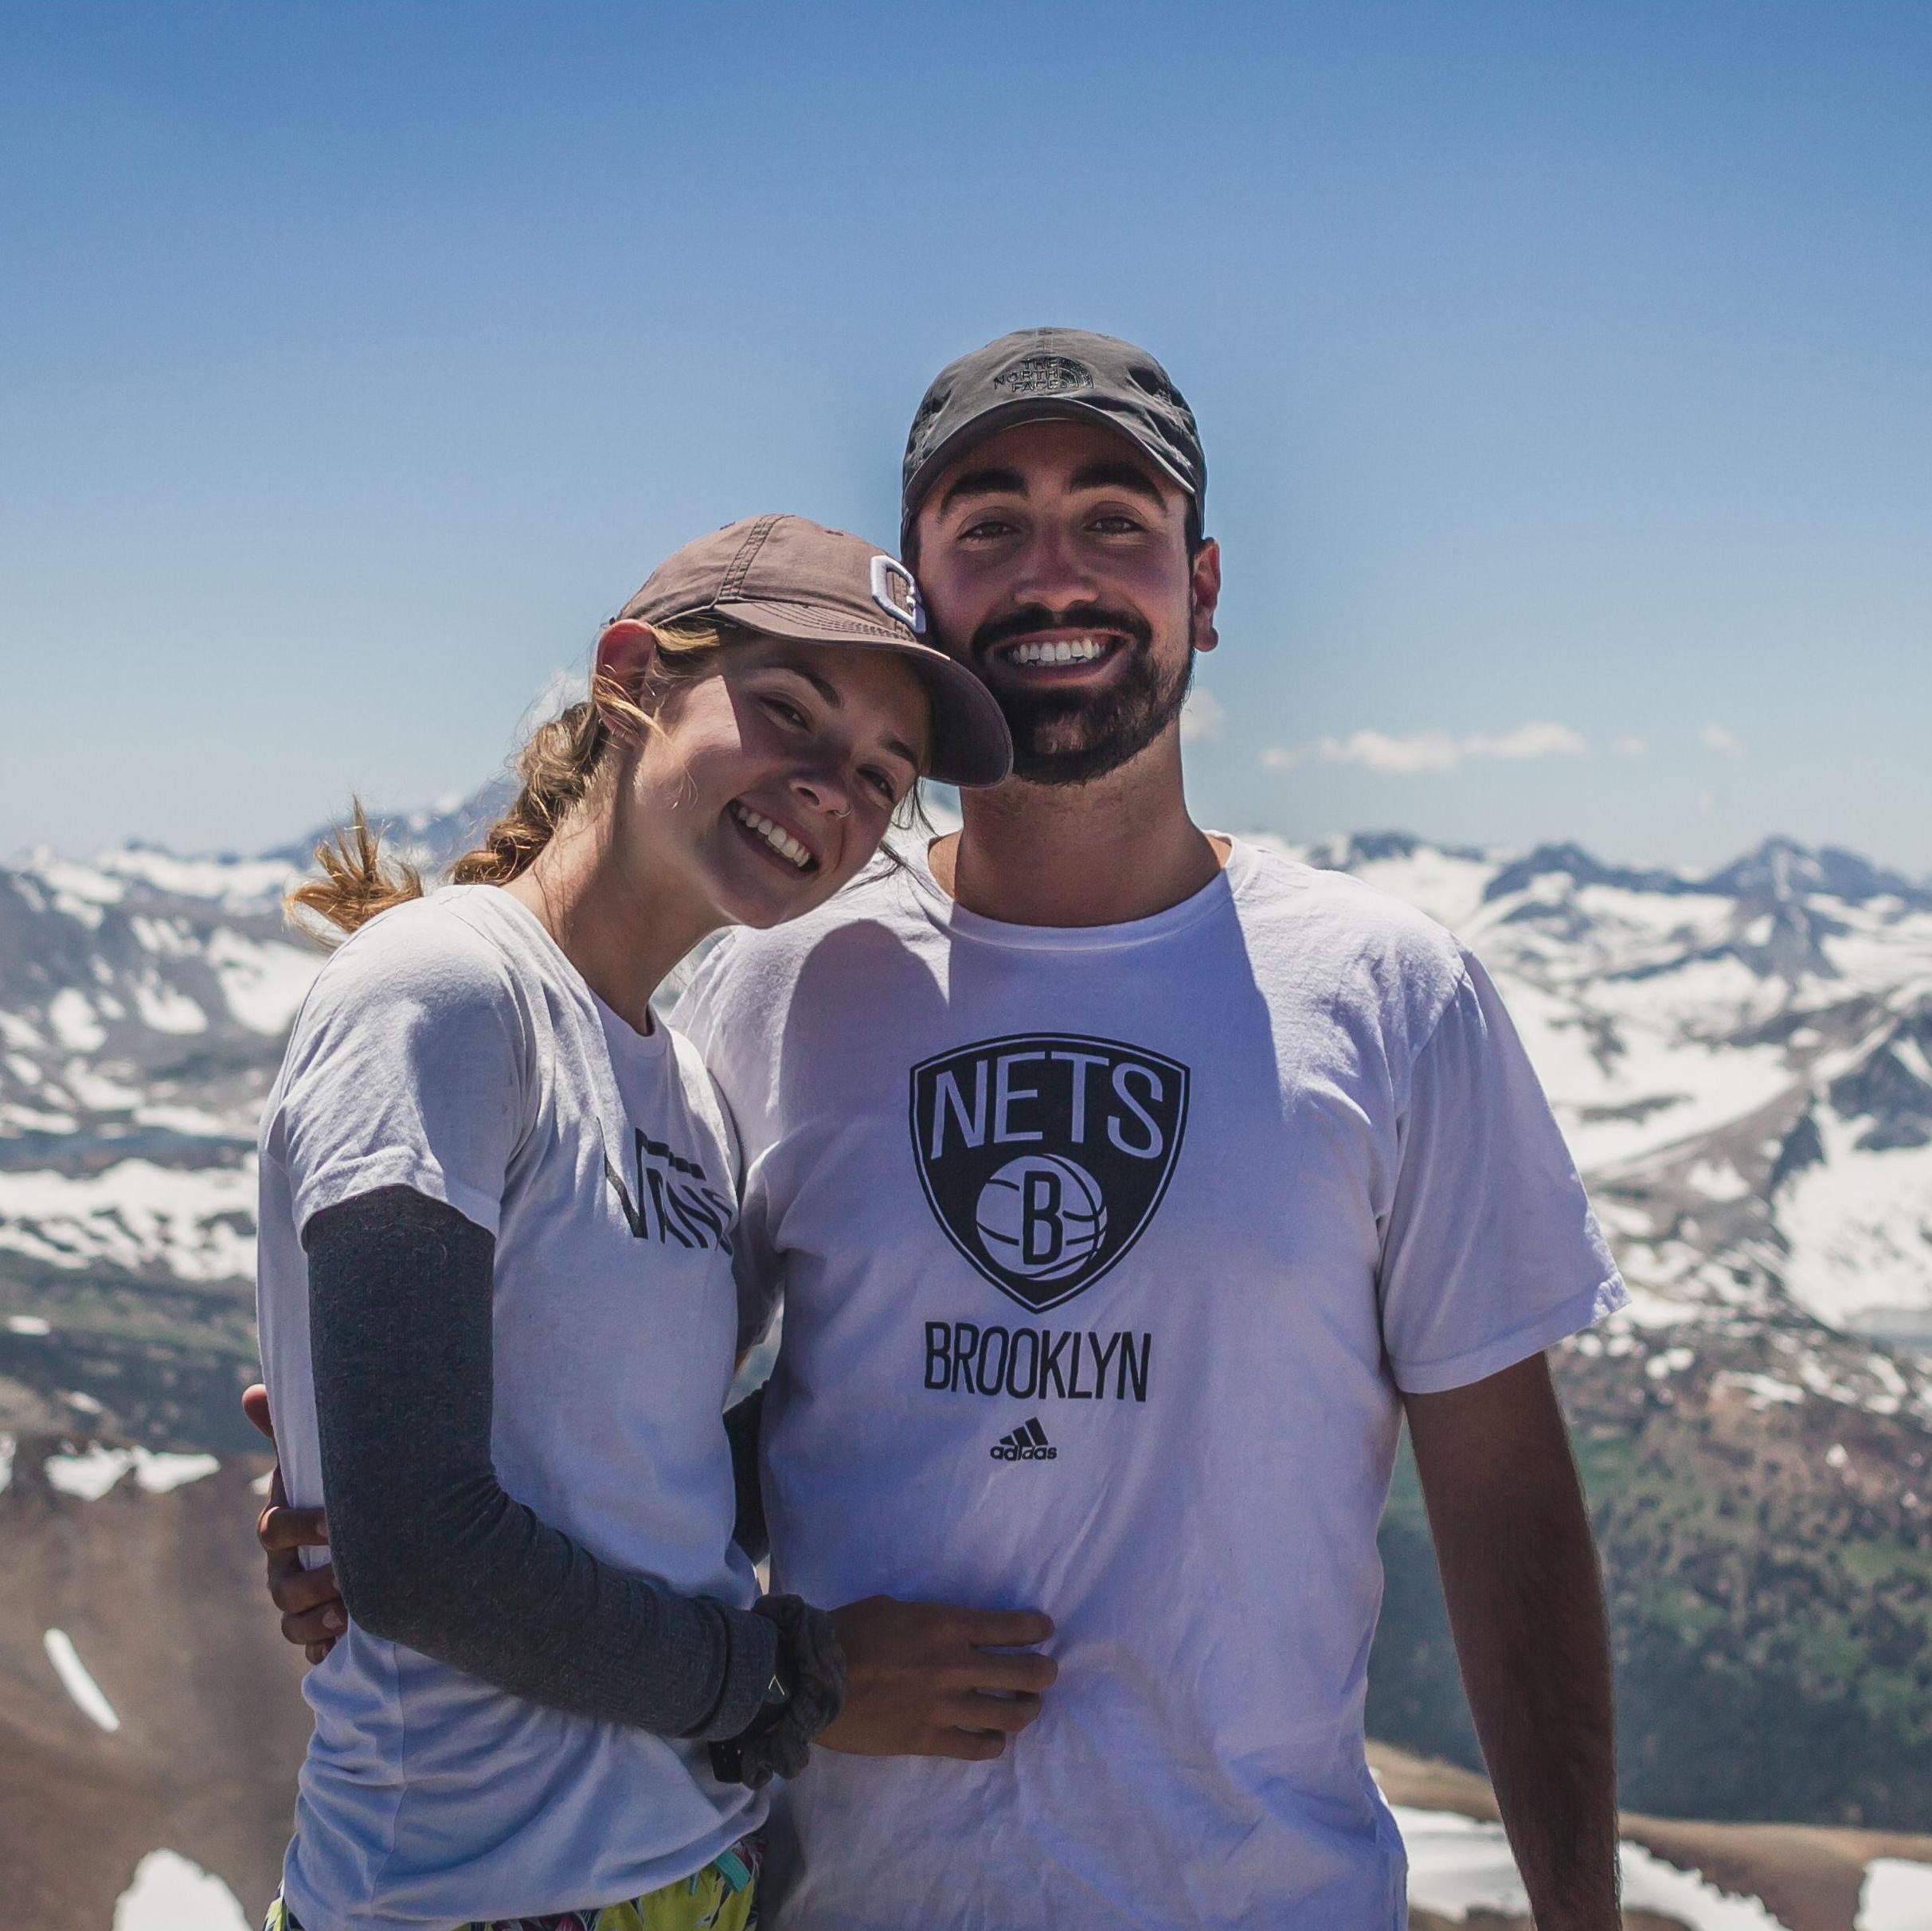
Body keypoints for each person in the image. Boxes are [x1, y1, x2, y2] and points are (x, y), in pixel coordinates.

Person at [263, 335, 1629, 1929]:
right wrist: (371, 1477)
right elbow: (632, 1392)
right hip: (837, 1893)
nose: (1056, 575)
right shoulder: (770, 984)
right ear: (920, 594)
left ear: (1201, 584)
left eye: (1112, 521)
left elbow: (1508, 1509)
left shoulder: (1392, 999)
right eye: (990, 527)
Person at [249, 514, 1054, 1931]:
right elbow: (420, 1551)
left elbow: (648, 1469)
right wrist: (790, 1682)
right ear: (630, 676)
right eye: (790, 711)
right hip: (463, 1895)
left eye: (881, 775)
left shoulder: (683, 1080)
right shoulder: (440, 991)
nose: (831, 791)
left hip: (685, 1875)